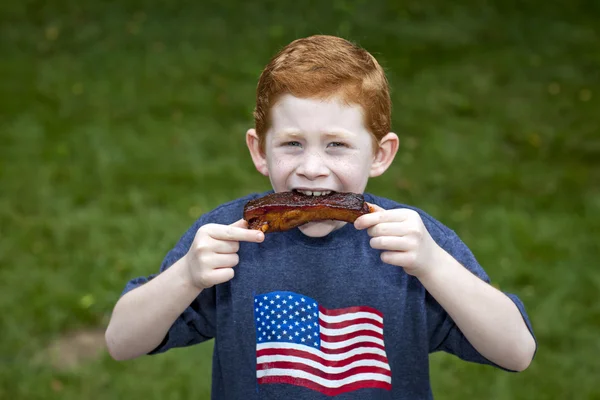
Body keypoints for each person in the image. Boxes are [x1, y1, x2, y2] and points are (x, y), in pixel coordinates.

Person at [105, 35, 536, 399]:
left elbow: (516, 352)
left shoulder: (413, 243)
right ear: (259, 151)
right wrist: (187, 276)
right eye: (292, 144)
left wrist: (434, 265)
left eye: (336, 145)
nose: (312, 167)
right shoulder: (230, 236)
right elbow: (121, 342)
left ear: (380, 154)